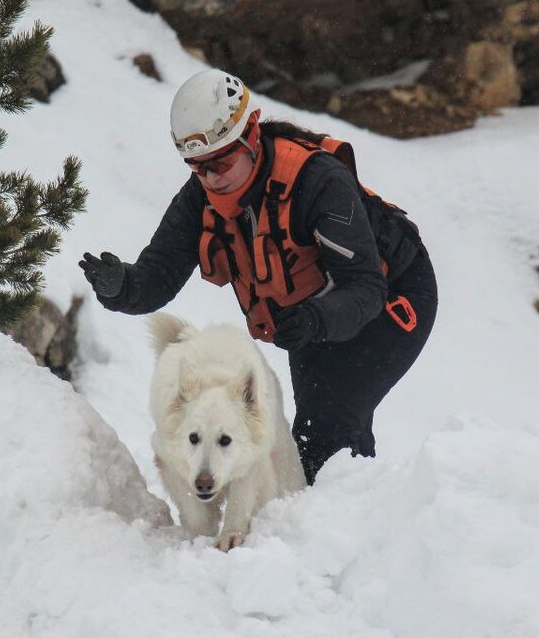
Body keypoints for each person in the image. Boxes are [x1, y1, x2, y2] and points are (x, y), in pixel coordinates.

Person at [79, 68, 437, 485]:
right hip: (309, 314)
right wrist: (122, 287)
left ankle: (350, 529)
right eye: (198, 167)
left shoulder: (317, 182)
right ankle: (341, 522)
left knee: (328, 429)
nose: (212, 178)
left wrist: (316, 319)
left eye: (222, 161)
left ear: (251, 134)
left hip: (392, 299)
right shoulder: (203, 197)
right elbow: (158, 273)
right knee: (312, 439)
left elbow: (365, 285)